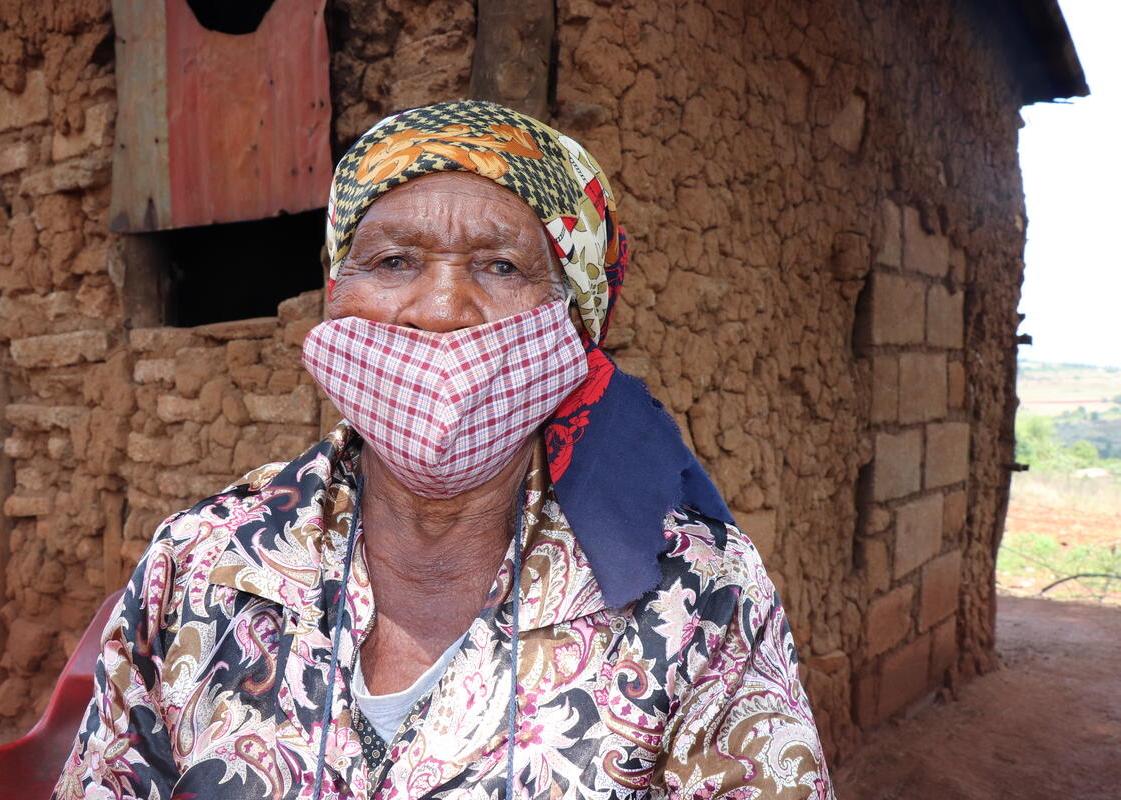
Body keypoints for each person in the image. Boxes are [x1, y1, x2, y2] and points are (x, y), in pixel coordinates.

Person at [53, 100, 832, 800]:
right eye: (393, 262)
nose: (441, 310)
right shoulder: (199, 565)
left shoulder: (698, 597)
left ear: (576, 323)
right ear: (337, 292)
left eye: (501, 266)